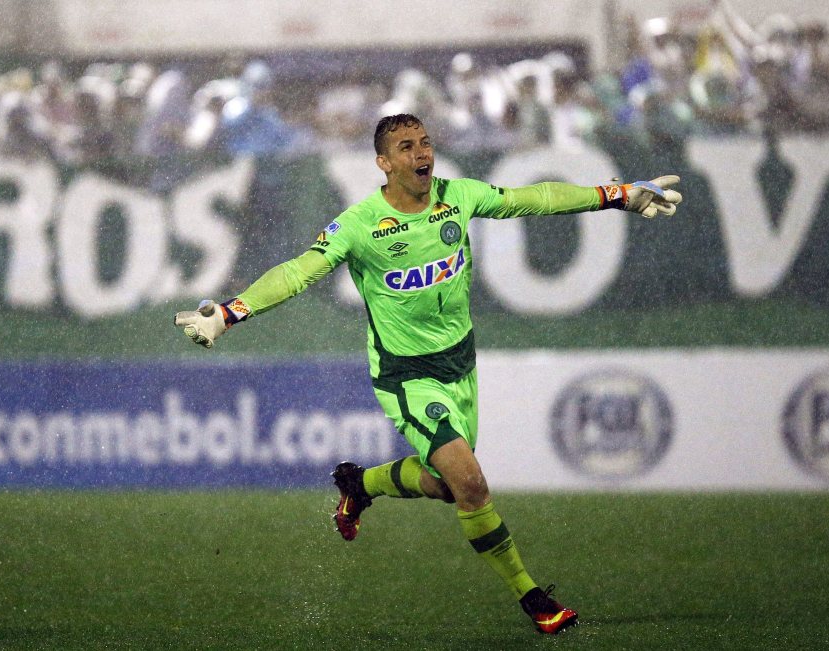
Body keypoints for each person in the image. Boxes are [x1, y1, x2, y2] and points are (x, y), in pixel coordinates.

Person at [174, 113, 682, 634]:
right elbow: (297, 272)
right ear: (384, 162)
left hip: (460, 364)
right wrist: (230, 313)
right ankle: (534, 600)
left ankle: (362, 483)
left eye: (425, 143)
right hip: (406, 376)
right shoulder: (360, 224)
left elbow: (539, 198)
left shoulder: (457, 196)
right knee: (471, 484)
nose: (421, 154)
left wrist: (619, 193)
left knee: (444, 486)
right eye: (405, 147)